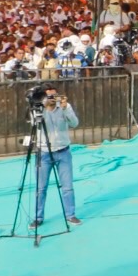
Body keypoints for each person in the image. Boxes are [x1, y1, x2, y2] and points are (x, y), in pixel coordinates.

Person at [30, 85, 82, 230]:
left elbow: (75, 123)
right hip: (44, 152)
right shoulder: (38, 109)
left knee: (67, 187)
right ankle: (37, 218)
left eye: (55, 95)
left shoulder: (65, 106)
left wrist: (65, 108)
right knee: (41, 188)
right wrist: (43, 107)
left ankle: (70, 215)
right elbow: (35, 124)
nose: (53, 98)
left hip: (63, 151)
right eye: (49, 96)